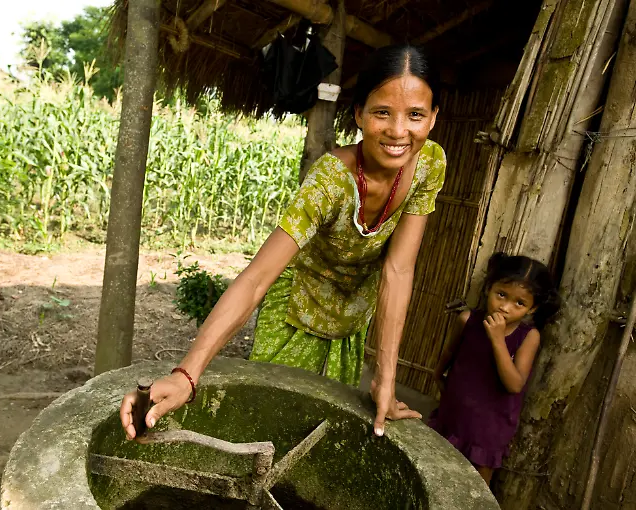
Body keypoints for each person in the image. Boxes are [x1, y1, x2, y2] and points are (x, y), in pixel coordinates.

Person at [121, 44, 447, 440]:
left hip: (352, 315)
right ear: (358, 114)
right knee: (267, 425)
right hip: (297, 307)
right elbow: (258, 277)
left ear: (432, 118)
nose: (399, 131)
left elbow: (398, 268)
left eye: (415, 115)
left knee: (321, 433)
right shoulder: (330, 181)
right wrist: (187, 374)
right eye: (382, 112)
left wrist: (385, 377)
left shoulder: (430, 164)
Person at [429, 253, 561, 485]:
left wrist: (498, 340)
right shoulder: (467, 320)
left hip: (490, 425)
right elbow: (450, 353)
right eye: (501, 295)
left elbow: (515, 384)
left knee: (478, 482)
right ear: (489, 288)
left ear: (532, 308)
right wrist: (438, 375)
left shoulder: (528, 337)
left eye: (519, 303)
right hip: (455, 413)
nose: (505, 307)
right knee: (437, 468)